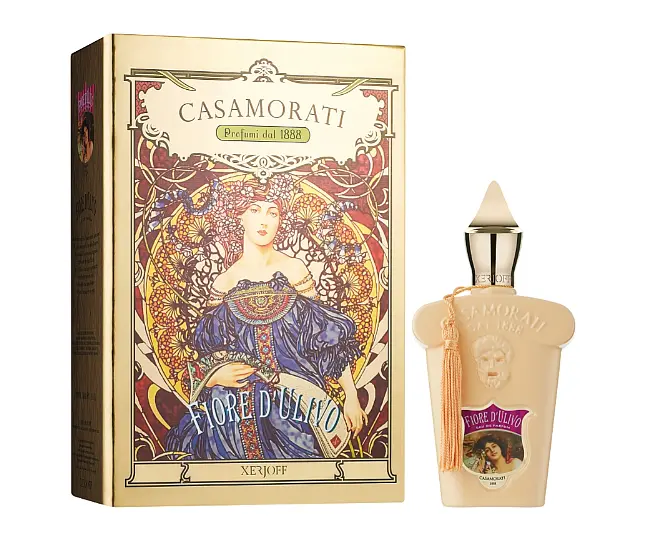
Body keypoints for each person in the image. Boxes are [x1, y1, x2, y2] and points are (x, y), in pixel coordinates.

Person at [166, 179, 368, 459]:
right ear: (239, 217)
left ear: (280, 220)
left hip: (297, 401)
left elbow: (327, 340)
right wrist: (213, 378)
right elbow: (207, 354)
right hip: (232, 410)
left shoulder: (295, 270)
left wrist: (351, 397)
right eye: (254, 210)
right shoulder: (225, 282)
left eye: (272, 212)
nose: (264, 220)